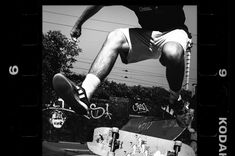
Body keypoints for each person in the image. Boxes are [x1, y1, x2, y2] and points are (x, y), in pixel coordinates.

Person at [53, 5, 192, 127]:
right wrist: (78, 24)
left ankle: (175, 98)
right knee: (115, 36)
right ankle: (84, 95)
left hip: (174, 32)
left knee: (172, 53)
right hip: (147, 36)